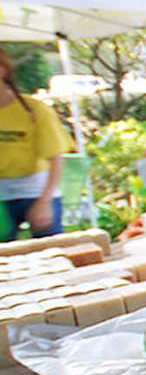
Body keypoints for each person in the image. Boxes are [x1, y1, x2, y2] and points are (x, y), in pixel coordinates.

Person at [0, 48, 74, 241]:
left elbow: (57, 159)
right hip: (2, 195)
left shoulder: (35, 109)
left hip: (37, 189)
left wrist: (44, 202)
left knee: (52, 249)